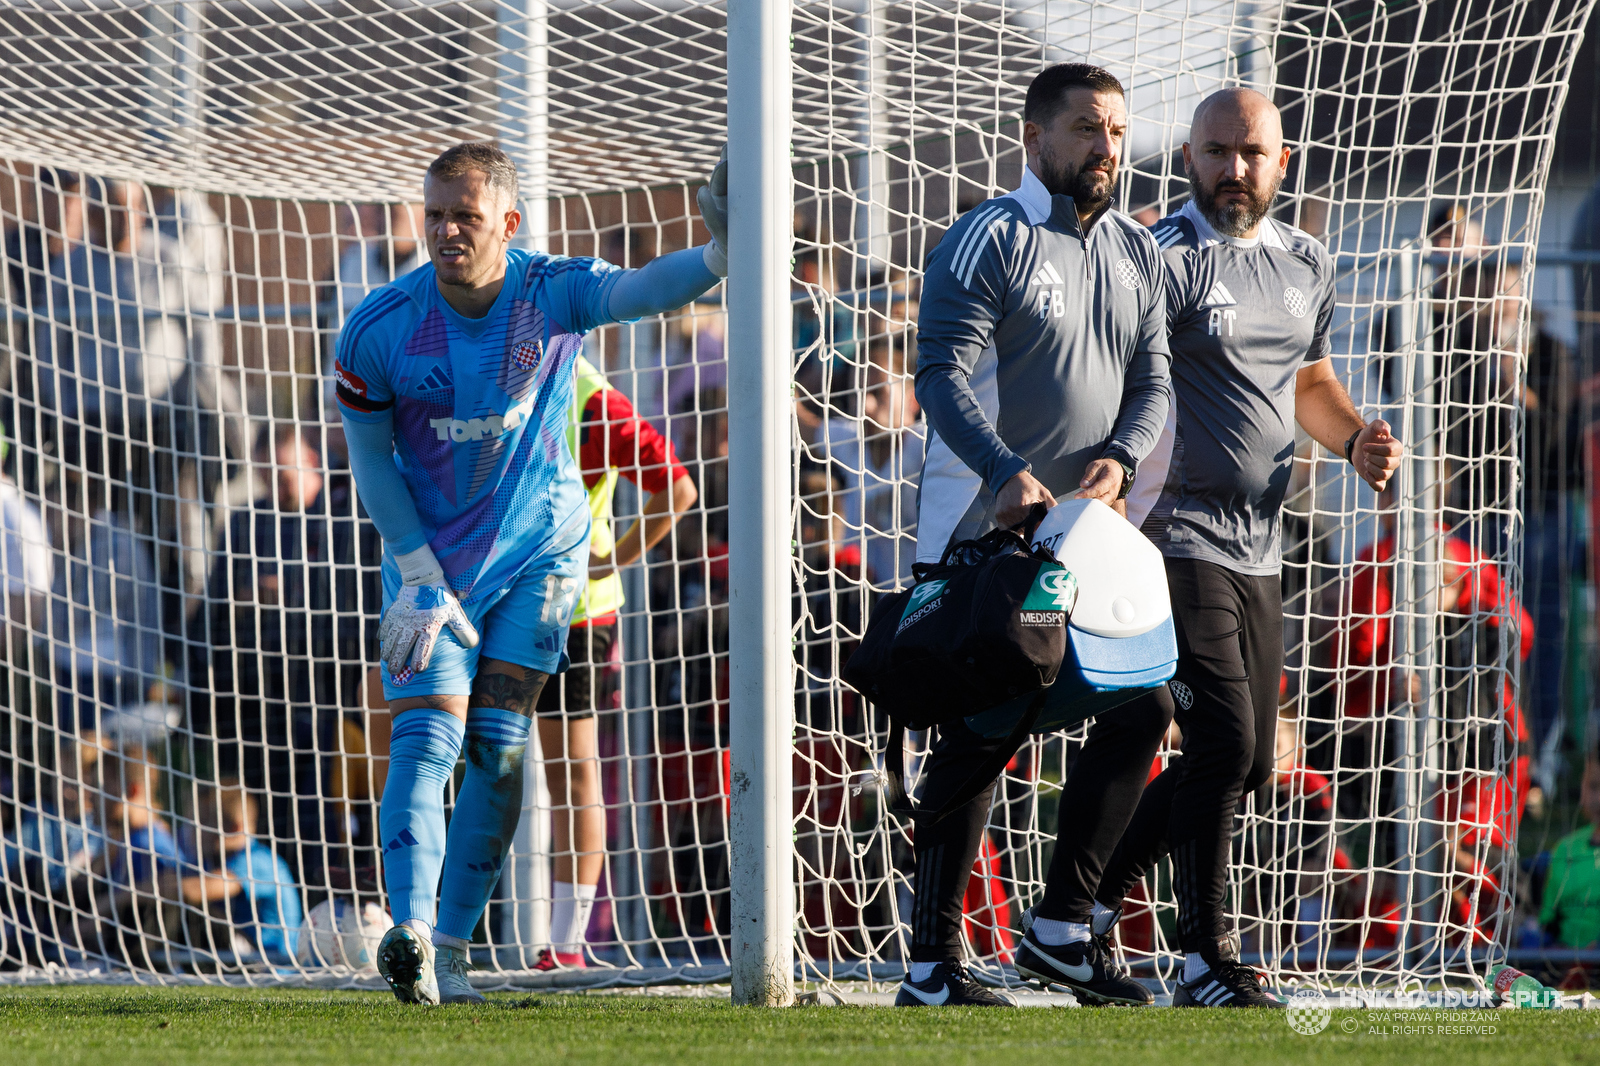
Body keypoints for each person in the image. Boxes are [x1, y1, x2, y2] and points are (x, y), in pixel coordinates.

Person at [336, 140, 728, 1005]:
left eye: (464, 216)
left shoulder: (551, 291)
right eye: (433, 213)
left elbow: (638, 291)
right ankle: (405, 929)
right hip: (426, 565)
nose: (444, 230)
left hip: (542, 563)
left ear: (507, 224)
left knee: (498, 751)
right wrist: (415, 571)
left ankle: (451, 950)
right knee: (425, 739)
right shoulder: (376, 329)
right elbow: (369, 462)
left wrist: (718, 257)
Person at [1094, 88, 1404, 1007]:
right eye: (1217, 151)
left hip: (1262, 542)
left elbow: (1307, 381)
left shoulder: (1307, 261)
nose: (1235, 168)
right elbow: (1110, 377)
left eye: (1252, 152)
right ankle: (1206, 960)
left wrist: (1354, 441)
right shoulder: (1162, 256)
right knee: (1224, 740)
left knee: (1249, 759)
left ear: (1283, 159)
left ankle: (1085, 909)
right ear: (1188, 155)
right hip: (1170, 532)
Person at [898, 62, 1172, 1008]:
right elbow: (935, 371)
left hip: (1087, 536)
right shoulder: (990, 235)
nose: (1107, 148)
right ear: (1036, 139)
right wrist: (1004, 470)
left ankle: (1059, 930)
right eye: (1088, 129)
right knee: (983, 733)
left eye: (1117, 131)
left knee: (1144, 705)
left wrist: (1124, 459)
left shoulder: (1139, 253)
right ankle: (932, 967)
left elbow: (1154, 384)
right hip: (990, 536)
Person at [532, 355, 697, 970]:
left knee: (571, 773)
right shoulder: (476, 364)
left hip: (571, 615)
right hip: (486, 600)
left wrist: (613, 560)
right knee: (460, 754)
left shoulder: (590, 397)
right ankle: (433, 923)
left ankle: (567, 943)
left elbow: (678, 488)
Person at [1542, 757, 1600, 950]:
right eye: (1593, 786)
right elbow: (1548, 922)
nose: (1598, 798)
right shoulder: (1565, 848)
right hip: (1563, 960)